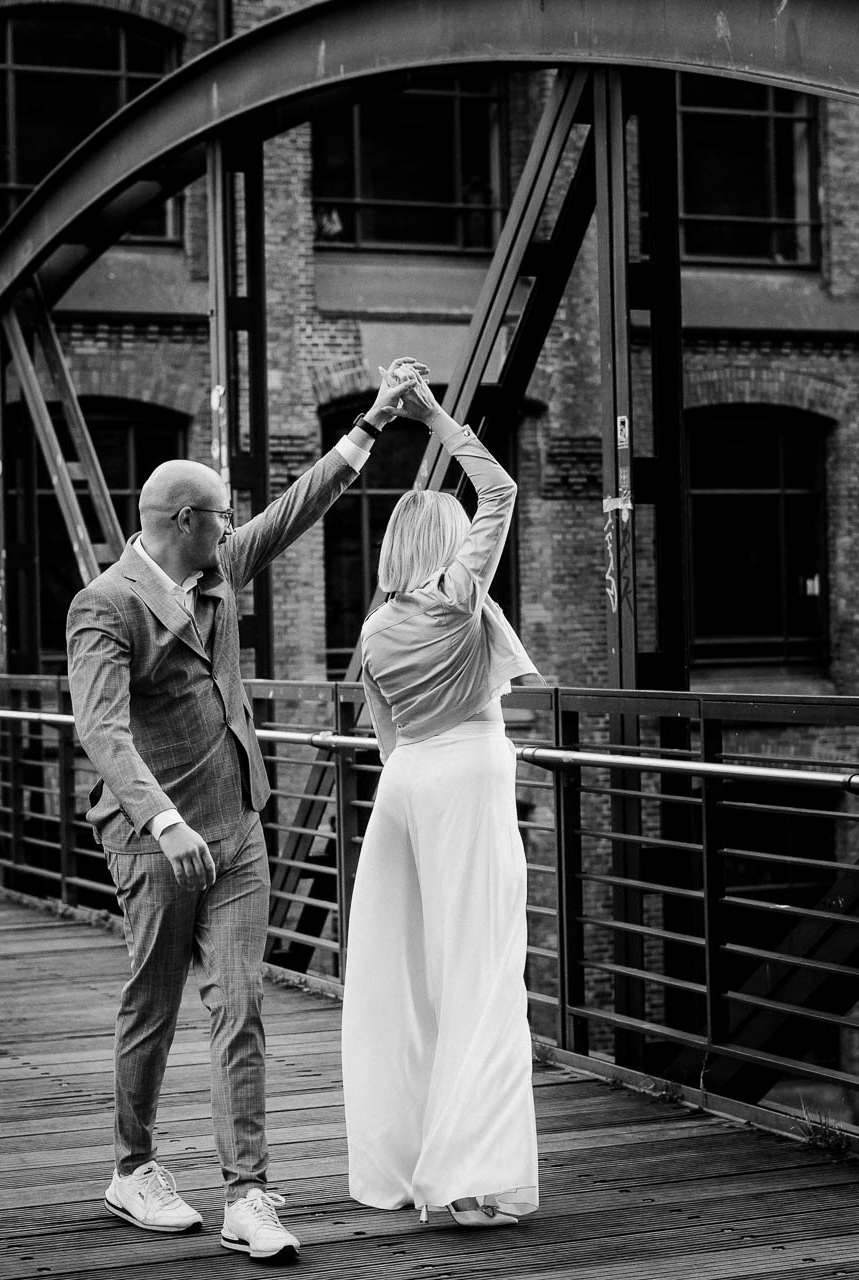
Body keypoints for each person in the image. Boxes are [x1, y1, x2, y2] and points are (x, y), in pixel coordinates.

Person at [67, 362, 418, 1261]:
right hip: (155, 842)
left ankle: (246, 1194)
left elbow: (294, 512)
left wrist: (371, 425)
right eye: (221, 515)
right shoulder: (104, 606)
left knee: (241, 1005)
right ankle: (133, 1168)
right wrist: (163, 821)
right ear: (185, 520)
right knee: (153, 1005)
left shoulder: (217, 569)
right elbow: (102, 730)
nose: (232, 526)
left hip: (237, 827)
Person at [342, 367, 540, 1227]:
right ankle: (464, 1182)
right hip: (467, 778)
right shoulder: (457, 601)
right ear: (448, 548)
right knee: (481, 975)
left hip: (408, 787)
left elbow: (388, 741)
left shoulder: (374, 630)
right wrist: (434, 418)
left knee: (404, 982)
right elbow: (500, 488)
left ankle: (406, 1165)